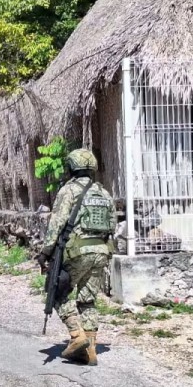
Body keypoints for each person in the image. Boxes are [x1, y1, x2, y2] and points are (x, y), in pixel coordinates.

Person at [37, 149, 116, 366]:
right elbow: (113, 225)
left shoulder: (69, 190)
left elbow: (57, 223)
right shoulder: (104, 193)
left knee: (58, 291)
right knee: (88, 300)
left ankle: (76, 335)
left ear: (71, 167)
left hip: (77, 252)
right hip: (101, 252)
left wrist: (45, 252)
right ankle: (90, 349)